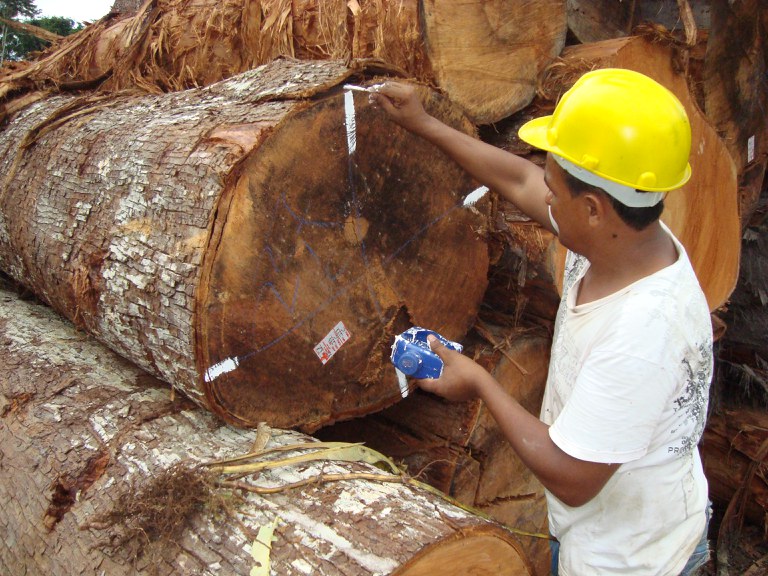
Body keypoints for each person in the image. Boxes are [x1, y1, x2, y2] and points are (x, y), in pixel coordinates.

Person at [370, 69, 713, 576]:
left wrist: (482, 385)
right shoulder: (623, 239)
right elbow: (519, 179)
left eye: (556, 191)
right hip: (602, 533)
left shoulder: (643, 332)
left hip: (628, 561)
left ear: (594, 209)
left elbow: (575, 478)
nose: (544, 197)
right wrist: (425, 124)